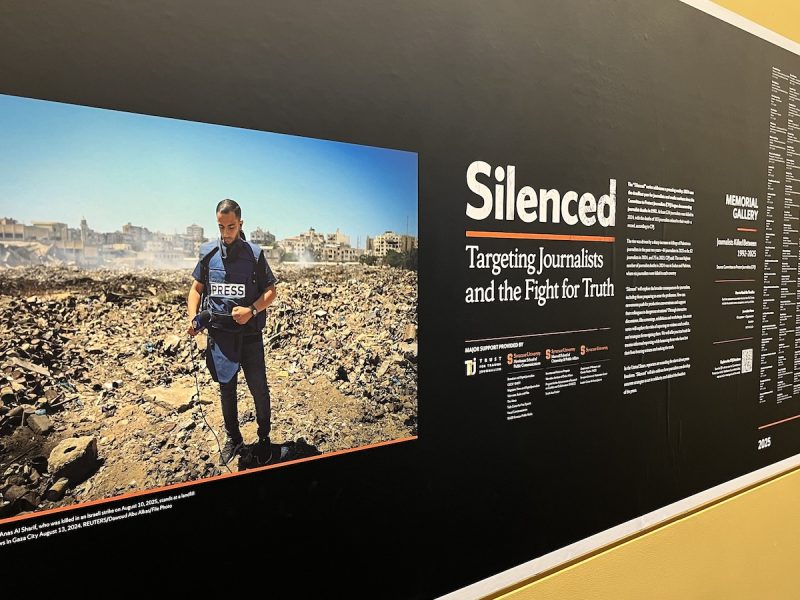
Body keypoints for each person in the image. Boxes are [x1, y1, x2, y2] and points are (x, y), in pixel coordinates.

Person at [187, 199, 278, 467]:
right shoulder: (207, 254)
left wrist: (251, 309)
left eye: (231, 227)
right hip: (219, 337)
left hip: (249, 336)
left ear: (240, 224)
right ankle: (234, 438)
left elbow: (271, 291)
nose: (226, 233)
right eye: (221, 227)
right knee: (226, 390)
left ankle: (264, 439)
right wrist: (193, 317)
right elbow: (196, 289)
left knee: (259, 390)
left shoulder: (255, 254)